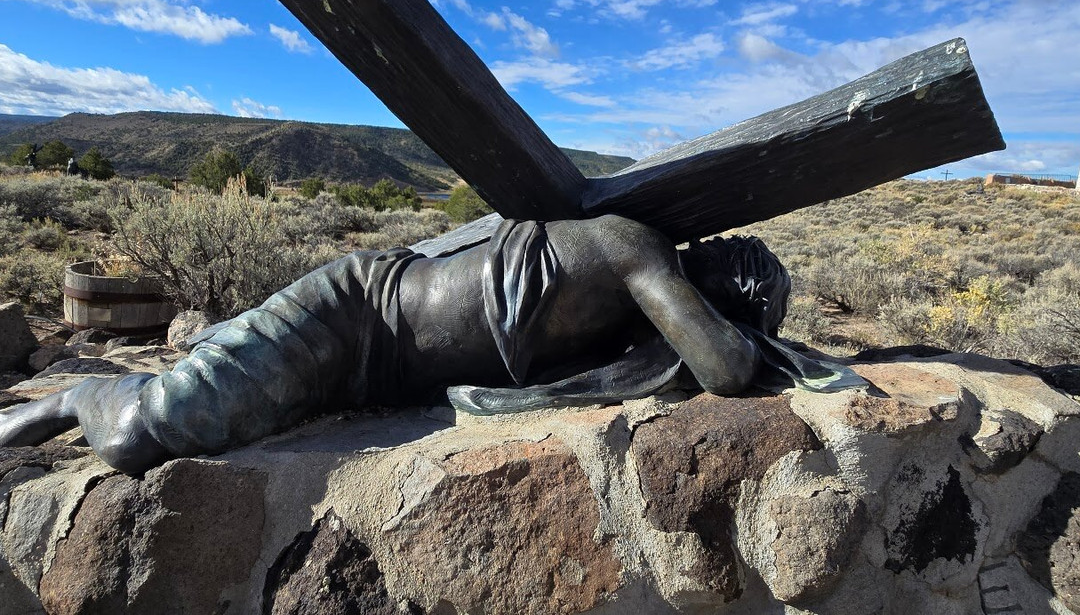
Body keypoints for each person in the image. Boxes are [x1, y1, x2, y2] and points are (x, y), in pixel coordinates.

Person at [0, 215, 859, 474]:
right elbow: (723, 368)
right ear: (724, 291)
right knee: (134, 439)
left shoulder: (634, 319)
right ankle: (71, 397)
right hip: (355, 312)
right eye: (747, 303)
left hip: (373, 376)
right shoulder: (636, 245)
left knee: (211, 402)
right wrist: (749, 342)